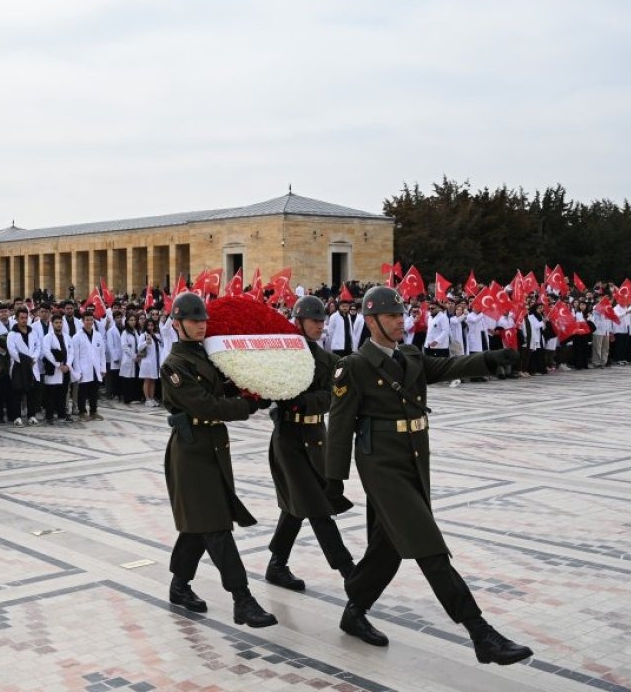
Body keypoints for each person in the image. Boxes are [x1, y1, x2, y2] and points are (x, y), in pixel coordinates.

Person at [326, 285, 532, 665]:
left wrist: (489, 358)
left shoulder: (409, 355)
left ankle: (354, 610)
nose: (400, 322)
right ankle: (480, 633)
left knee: (387, 549)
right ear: (371, 321)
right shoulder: (354, 365)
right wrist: (333, 480)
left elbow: (446, 367)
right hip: (381, 466)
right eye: (391, 316)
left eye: (401, 315)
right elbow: (339, 426)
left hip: (414, 460)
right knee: (428, 545)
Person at [160, 292, 278, 629]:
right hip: (192, 451)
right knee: (215, 526)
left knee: (199, 526)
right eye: (194, 321)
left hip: (212, 447)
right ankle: (243, 600)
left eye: (203, 320)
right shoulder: (175, 366)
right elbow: (206, 406)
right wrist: (248, 406)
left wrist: (253, 387)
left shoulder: (208, 355)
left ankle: (179, 586)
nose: (201, 326)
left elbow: (223, 389)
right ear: (177, 324)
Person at [264, 296, 355, 592]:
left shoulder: (329, 360)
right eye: (314, 321)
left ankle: (277, 564)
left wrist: (303, 402)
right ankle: (349, 571)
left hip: (316, 437)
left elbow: (333, 397)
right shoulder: (282, 356)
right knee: (316, 505)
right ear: (298, 322)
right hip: (288, 439)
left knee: (296, 505)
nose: (320, 325)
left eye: (321, 321)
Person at [70, 309, 106, 421]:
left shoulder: (98, 335)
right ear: (82, 321)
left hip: (95, 369)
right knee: (82, 392)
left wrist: (103, 368)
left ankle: (93, 411)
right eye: (87, 320)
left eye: (91, 320)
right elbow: (75, 356)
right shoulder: (77, 337)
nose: (89, 322)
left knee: (94, 392)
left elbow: (102, 353)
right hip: (83, 368)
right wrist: (77, 371)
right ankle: (82, 412)